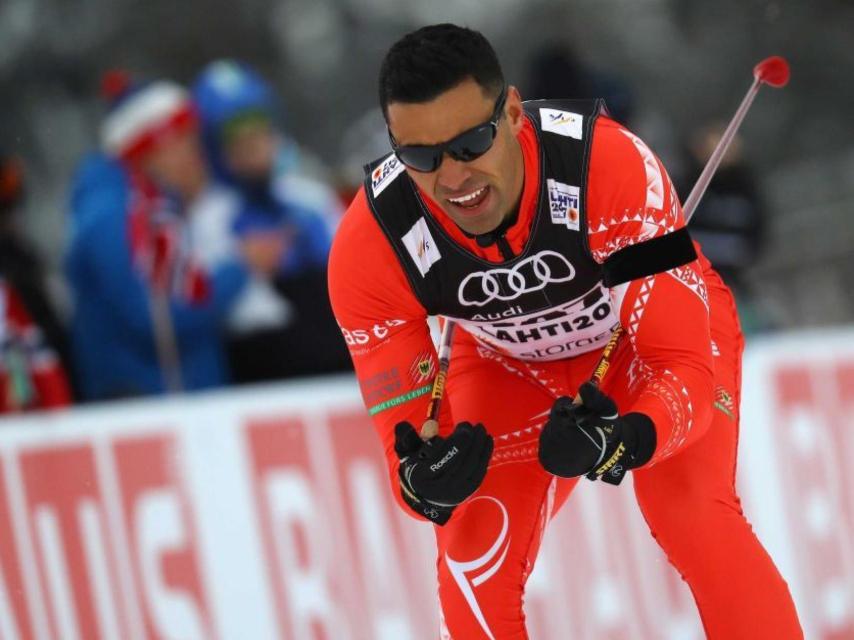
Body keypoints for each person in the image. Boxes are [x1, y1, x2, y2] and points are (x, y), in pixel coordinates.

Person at [328, 24, 802, 639]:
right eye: (421, 157)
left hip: (635, 346)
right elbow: (408, 442)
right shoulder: (373, 243)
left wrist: (626, 437)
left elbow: (681, 368)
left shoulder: (606, 166)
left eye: (472, 143)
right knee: (471, 566)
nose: (452, 179)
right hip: (506, 364)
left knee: (691, 515)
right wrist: (423, 484)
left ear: (515, 114)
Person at [66, 73, 254, 400]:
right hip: (149, 412)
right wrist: (239, 269)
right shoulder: (116, 216)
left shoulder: (159, 211)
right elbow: (155, 322)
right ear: (154, 150)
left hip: (179, 408)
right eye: (188, 143)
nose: (200, 159)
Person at [192, 60, 351, 381]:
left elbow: (356, 272)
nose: (254, 146)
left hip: (341, 363)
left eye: (260, 131)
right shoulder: (209, 218)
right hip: (270, 373)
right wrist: (246, 265)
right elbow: (231, 315)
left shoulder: (310, 198)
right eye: (237, 138)